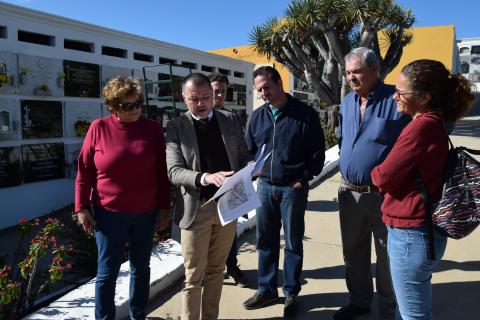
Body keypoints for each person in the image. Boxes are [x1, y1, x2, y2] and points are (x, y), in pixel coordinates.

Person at [371, 59, 474, 320]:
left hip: (411, 235)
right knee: (410, 309)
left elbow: (383, 177)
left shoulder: (420, 127)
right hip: (421, 233)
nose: (395, 96)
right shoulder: (435, 122)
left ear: (424, 97)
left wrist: (374, 170)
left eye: (401, 92)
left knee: (413, 315)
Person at [75, 76, 171, 320]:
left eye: (138, 103)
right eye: (127, 106)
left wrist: (163, 207)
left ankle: (138, 315)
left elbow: (162, 171)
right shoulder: (99, 128)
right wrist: (81, 207)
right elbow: (84, 171)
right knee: (107, 273)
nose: (135, 110)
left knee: (141, 269)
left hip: (146, 213)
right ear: (113, 106)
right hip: (109, 215)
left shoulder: (152, 129)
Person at [166, 73, 250, 320]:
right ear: (184, 98)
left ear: (214, 96)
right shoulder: (176, 126)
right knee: (193, 276)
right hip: (197, 209)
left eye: (206, 97)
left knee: (216, 271)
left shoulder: (230, 120)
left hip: (228, 206)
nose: (201, 104)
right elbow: (174, 171)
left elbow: (243, 155)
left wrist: (253, 166)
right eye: (194, 99)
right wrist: (205, 177)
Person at [243, 66, 325, 318]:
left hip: (293, 189)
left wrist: (303, 178)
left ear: (279, 83)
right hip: (265, 187)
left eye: (267, 87)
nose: (264, 93)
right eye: (259, 90)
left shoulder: (305, 114)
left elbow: (317, 153)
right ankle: (267, 289)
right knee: (265, 241)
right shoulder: (257, 116)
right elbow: (249, 150)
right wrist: (252, 172)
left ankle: (291, 293)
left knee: (292, 242)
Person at [335, 47, 410, 320]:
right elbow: (344, 141)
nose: (351, 77)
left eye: (356, 72)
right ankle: (359, 301)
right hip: (349, 194)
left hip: (384, 197)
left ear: (374, 70)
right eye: (348, 72)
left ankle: (388, 310)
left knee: (387, 257)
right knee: (353, 252)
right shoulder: (347, 102)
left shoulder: (397, 100)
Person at [209, 72, 249, 288]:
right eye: (216, 91)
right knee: (207, 233)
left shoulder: (232, 118)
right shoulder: (194, 118)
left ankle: (231, 266)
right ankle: (209, 271)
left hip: (229, 186)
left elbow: (242, 150)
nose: (219, 95)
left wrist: (248, 167)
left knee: (230, 231)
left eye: (223, 91)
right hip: (206, 187)